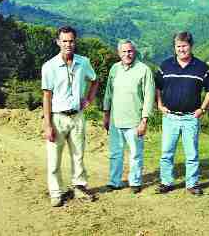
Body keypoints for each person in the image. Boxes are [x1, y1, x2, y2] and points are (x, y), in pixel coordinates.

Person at [41, 25, 99, 207]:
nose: (68, 44)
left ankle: (79, 187)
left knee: (78, 155)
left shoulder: (84, 62)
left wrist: (89, 99)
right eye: (64, 41)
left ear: (75, 42)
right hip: (57, 117)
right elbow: (46, 96)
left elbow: (95, 80)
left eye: (71, 40)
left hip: (77, 116)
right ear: (58, 42)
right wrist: (47, 124)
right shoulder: (49, 66)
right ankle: (56, 192)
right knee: (54, 158)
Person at [155, 31, 209, 195]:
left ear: (191, 46)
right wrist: (159, 104)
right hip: (170, 116)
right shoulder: (165, 65)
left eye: (184, 46)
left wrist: (202, 109)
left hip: (190, 118)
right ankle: (166, 182)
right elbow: (157, 87)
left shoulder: (202, 67)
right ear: (174, 47)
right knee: (166, 152)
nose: (181, 49)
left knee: (192, 154)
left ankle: (192, 184)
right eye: (178, 46)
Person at [103, 39, 155, 194]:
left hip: (135, 121)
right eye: (124, 51)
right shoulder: (114, 69)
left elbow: (149, 97)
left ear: (135, 52)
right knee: (115, 153)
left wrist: (144, 120)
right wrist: (106, 114)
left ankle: (135, 182)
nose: (127, 54)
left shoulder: (144, 70)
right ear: (119, 53)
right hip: (115, 120)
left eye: (130, 51)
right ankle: (114, 181)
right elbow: (108, 93)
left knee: (135, 154)